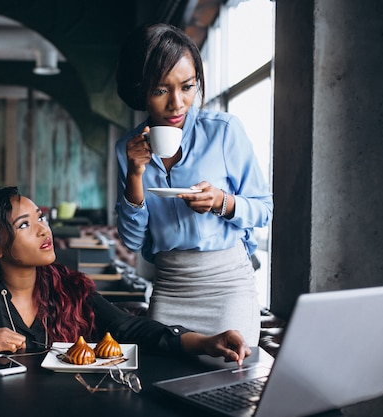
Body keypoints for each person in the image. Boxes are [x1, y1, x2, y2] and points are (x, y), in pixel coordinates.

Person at [0, 187, 251, 365]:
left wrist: (202, 341)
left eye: (41, 217)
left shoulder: (68, 284)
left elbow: (130, 329)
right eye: (24, 224)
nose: (42, 229)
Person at [114, 23, 273, 346]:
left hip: (229, 287)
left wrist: (222, 202)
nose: (177, 103)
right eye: (160, 90)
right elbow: (132, 241)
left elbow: (264, 210)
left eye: (187, 86)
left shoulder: (224, 131)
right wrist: (135, 175)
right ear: (140, 90)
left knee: (231, 386)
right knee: (161, 387)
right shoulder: (128, 149)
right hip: (169, 287)